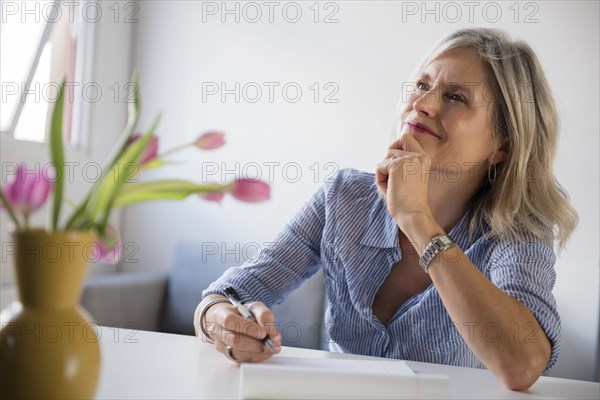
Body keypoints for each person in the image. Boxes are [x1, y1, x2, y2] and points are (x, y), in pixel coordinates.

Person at [193, 28, 578, 391]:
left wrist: (417, 220)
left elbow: (523, 366)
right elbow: (224, 295)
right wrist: (222, 325)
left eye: (456, 97)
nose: (422, 104)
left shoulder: (518, 230)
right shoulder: (344, 196)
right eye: (422, 85)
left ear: (502, 146)